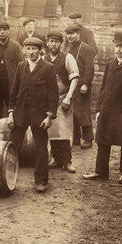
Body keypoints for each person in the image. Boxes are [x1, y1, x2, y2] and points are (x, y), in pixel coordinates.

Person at [83, 29, 122, 185]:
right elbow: (103, 88)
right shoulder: (110, 65)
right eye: (116, 46)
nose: (118, 49)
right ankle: (101, 172)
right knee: (103, 141)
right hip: (107, 110)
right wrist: (98, 109)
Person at [7, 36, 58, 193]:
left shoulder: (48, 68)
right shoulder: (21, 66)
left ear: (40, 50)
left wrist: (49, 116)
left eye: (34, 49)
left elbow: (53, 95)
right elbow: (14, 91)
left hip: (39, 115)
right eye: (28, 49)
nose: (31, 52)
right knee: (11, 147)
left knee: (41, 148)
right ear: (24, 50)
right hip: (21, 113)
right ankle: (6, 177)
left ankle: (41, 181)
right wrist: (11, 113)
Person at [43, 30, 79, 173]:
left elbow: (74, 78)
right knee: (51, 131)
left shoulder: (67, 57)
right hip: (48, 100)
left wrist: (69, 97)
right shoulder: (43, 58)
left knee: (64, 131)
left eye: (56, 42)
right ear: (47, 43)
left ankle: (67, 161)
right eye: (51, 41)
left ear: (60, 44)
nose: (53, 44)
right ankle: (56, 159)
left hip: (63, 99)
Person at [62, 22, 96, 148]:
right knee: (72, 112)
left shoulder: (86, 48)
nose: (70, 37)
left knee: (83, 112)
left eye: (72, 34)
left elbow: (90, 68)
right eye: (68, 34)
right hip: (71, 84)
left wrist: (86, 84)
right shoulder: (66, 49)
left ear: (78, 34)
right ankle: (75, 139)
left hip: (82, 85)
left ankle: (88, 139)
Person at [0, 22, 23, 124]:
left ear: (8, 31)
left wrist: (20, 84)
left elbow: (21, 65)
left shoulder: (15, 46)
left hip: (11, 84)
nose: (2, 32)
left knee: (12, 110)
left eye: (4, 30)